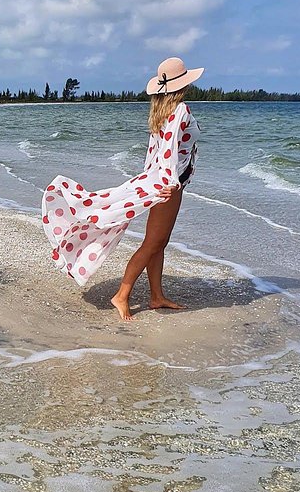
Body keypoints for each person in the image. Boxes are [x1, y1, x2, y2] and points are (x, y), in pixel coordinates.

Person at [41, 56, 203, 321]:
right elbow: (170, 152)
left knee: (159, 242)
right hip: (168, 185)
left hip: (160, 180)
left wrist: (153, 179)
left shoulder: (161, 110)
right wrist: (170, 184)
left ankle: (156, 296)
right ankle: (122, 295)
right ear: (183, 84)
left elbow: (156, 153)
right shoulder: (181, 109)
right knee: (154, 242)